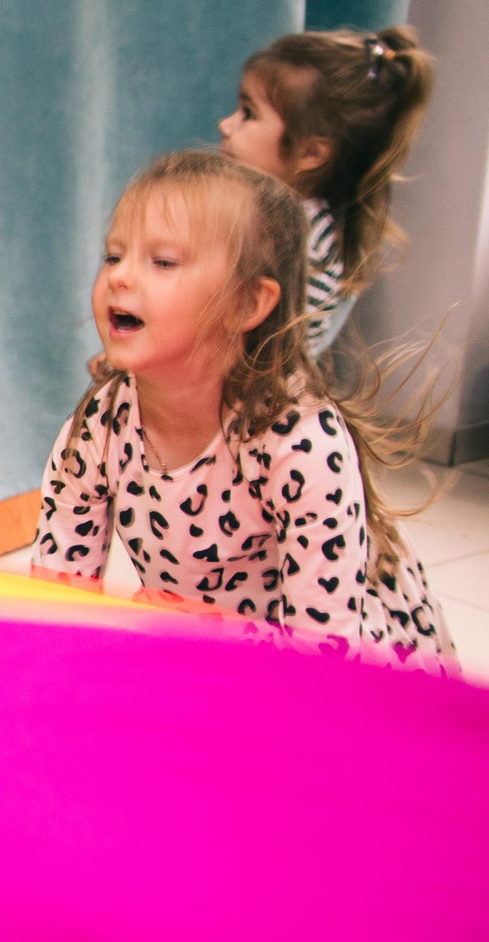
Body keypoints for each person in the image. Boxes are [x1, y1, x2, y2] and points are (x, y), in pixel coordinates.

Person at [33, 149, 451, 671]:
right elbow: (56, 604)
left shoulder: (299, 443)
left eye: (162, 261)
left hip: (353, 676)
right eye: (114, 256)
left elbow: (323, 657)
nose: (119, 277)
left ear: (247, 304)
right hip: (213, 652)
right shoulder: (99, 424)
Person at [216, 26, 434, 360]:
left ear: (310, 154)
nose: (225, 125)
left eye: (248, 113)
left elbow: (254, 357)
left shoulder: (297, 241)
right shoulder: (263, 216)